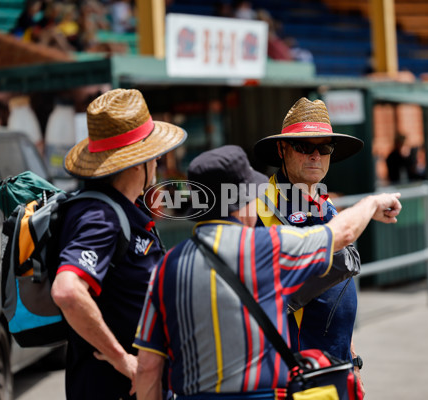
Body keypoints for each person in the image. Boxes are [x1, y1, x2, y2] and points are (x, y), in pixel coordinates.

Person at [132, 145, 402, 399]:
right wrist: (373, 203)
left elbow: (147, 367)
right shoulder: (267, 247)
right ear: (242, 202)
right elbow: (341, 233)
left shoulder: (167, 266)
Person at [50, 88, 187, 400]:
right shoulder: (100, 216)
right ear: (140, 161)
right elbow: (67, 291)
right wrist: (121, 359)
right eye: (155, 154)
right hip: (111, 388)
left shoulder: (121, 208)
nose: (160, 161)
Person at [253, 97, 367, 396]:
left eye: (324, 147)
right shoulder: (261, 207)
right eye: (305, 146)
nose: (316, 155)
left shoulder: (326, 204)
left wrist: (352, 359)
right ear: (282, 149)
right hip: (296, 375)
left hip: (337, 368)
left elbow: (337, 292)